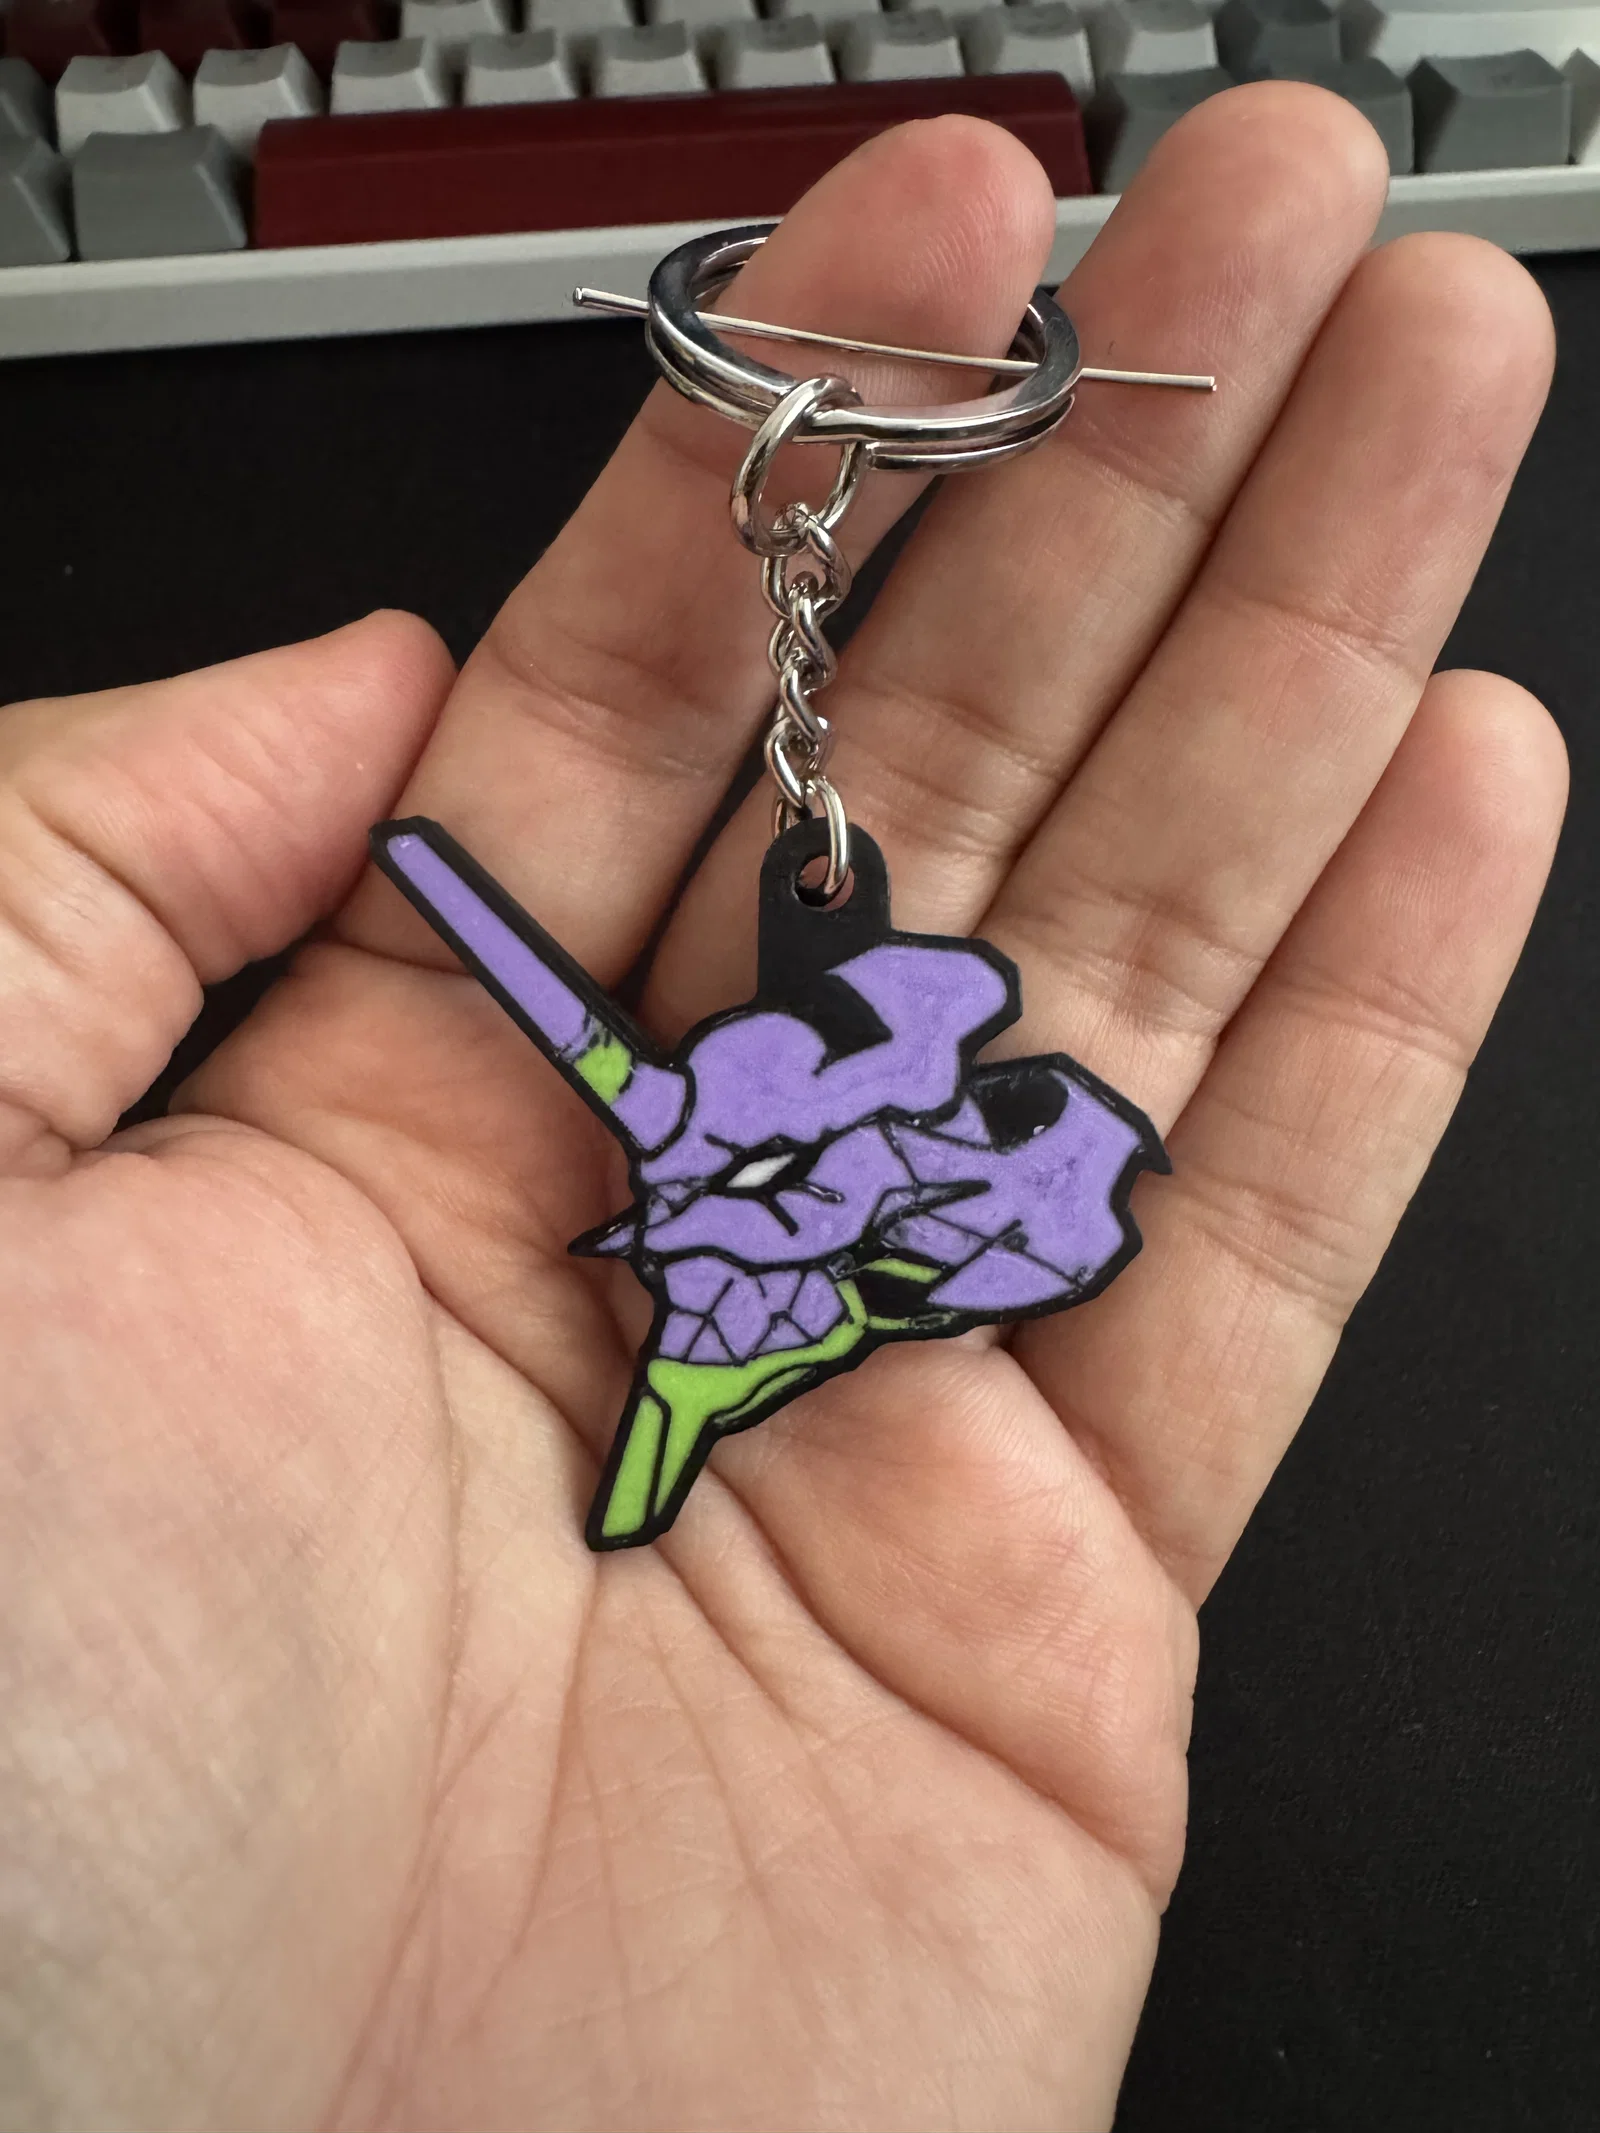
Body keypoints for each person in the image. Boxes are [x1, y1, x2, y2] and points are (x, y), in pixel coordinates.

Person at [0, 83, 1566, 2132]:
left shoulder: (829, 1232)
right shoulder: (777, 1168)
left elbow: (787, 1225)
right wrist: (728, 1243)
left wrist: (758, 1262)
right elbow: (689, 1150)